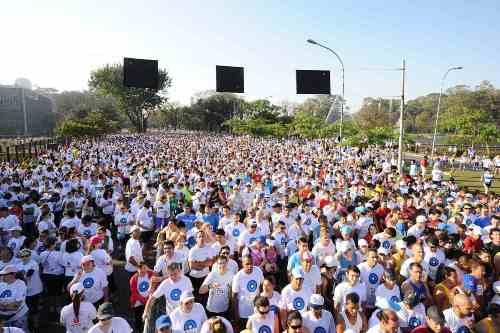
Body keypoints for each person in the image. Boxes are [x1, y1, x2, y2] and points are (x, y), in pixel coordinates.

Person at [232, 255, 264, 328]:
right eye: (247, 264)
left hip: (256, 310)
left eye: (251, 263)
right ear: (242, 264)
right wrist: (236, 314)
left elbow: (262, 285)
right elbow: (234, 296)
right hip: (243, 312)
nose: (250, 266)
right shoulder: (238, 277)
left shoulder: (258, 271)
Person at [0, 266, 28, 331]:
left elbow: (15, 306)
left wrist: (2, 306)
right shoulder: (1, 284)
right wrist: (7, 306)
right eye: (2, 274)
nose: (2, 276)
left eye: (5, 274)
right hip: (3, 318)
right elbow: (12, 305)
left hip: (18, 317)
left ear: (13, 274)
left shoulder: (20, 284)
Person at [129, 261, 153, 331]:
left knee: (149, 317)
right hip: (138, 302)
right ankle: (139, 329)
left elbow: (155, 285)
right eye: (140, 268)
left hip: (149, 300)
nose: (142, 270)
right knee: (138, 317)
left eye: (144, 268)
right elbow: (134, 293)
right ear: (137, 269)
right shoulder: (133, 279)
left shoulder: (151, 274)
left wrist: (148, 299)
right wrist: (144, 300)